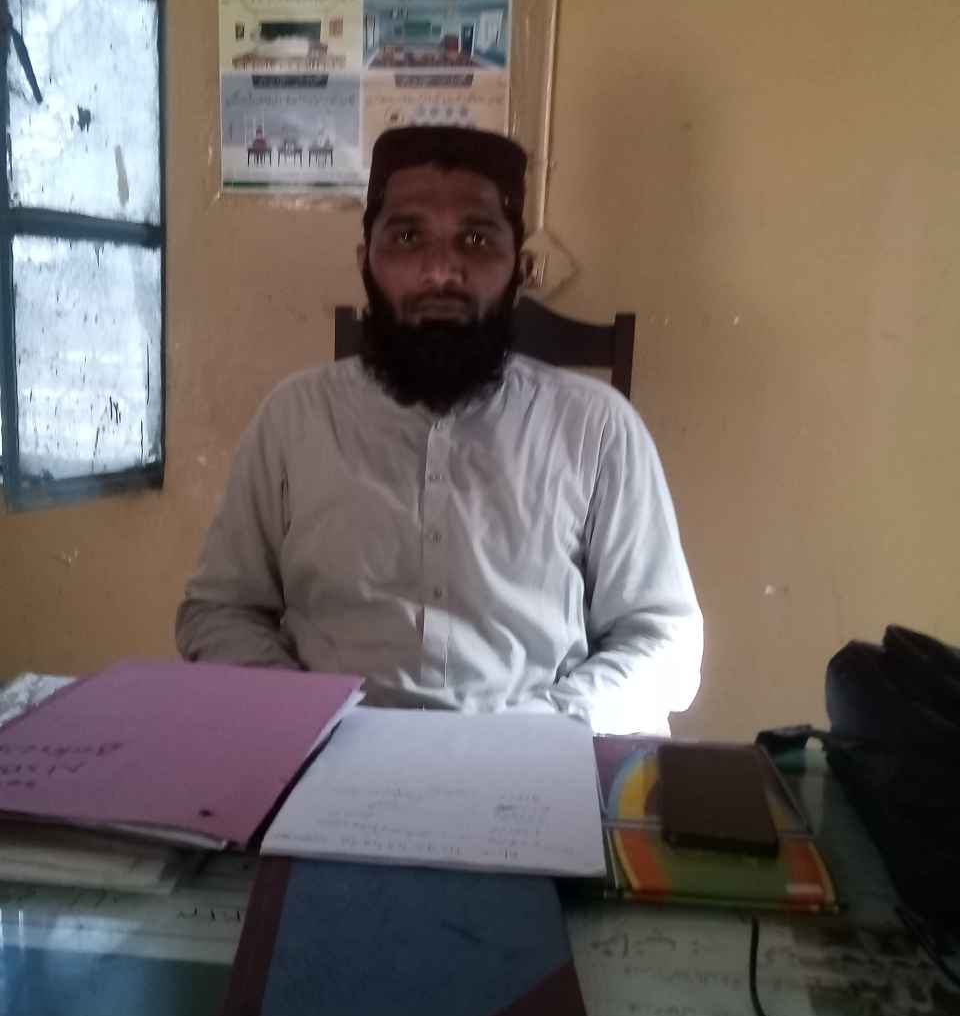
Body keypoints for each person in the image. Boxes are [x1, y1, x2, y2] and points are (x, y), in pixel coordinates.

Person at [175, 126, 703, 735]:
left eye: (476, 240)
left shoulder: (598, 427)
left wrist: (547, 726)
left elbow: (663, 639)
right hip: (326, 754)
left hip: (536, 756)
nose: (441, 272)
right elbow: (220, 611)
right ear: (365, 261)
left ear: (519, 267)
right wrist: (305, 719)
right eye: (408, 237)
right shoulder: (294, 418)